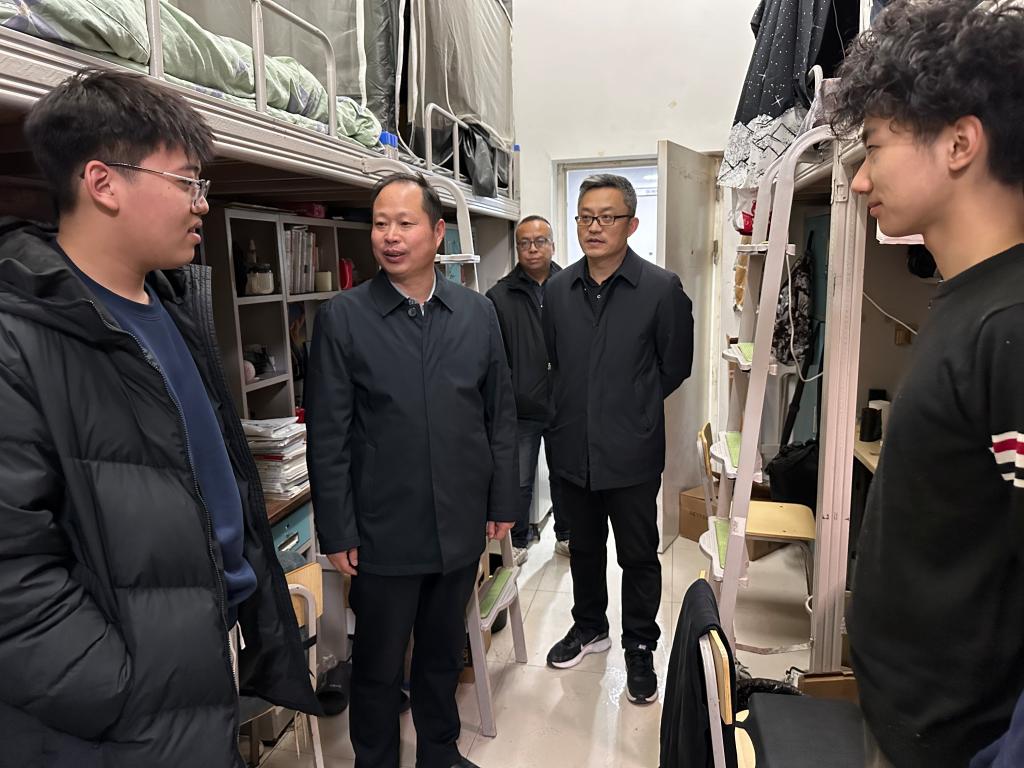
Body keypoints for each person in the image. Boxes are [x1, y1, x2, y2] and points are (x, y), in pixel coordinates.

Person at [0, 69, 318, 768]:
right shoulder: (18, 338)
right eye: (186, 182)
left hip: (202, 651)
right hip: (122, 708)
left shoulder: (170, 308)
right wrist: (124, 688)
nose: (202, 203)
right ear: (103, 182)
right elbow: (14, 579)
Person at [830, 1, 1024, 765]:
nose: (858, 180)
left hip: (955, 744)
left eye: (875, 147)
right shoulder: (970, 301)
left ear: (959, 143)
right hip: (910, 720)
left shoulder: (1010, 323)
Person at [306, 172, 518, 768]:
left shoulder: (476, 314)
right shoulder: (345, 317)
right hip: (383, 529)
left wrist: (503, 500)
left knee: (442, 654)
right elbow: (328, 434)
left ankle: (439, 752)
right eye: (380, 224)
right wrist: (338, 529)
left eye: (404, 223)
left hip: (458, 522)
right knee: (378, 662)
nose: (390, 236)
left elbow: (499, 416)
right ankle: (375, 759)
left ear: (438, 232)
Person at [542, 173, 694, 704]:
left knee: (638, 554)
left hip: (631, 450)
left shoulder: (660, 289)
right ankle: (590, 627)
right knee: (583, 548)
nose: (594, 227)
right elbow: (556, 362)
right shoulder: (557, 290)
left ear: (631, 224)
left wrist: (632, 404)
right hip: (571, 448)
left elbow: (675, 366)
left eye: (607, 217)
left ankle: (640, 645)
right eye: (585, 217)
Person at [486, 215, 568, 564]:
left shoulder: (572, 287)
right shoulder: (498, 296)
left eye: (540, 241)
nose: (532, 248)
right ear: (517, 248)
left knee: (565, 477)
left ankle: (566, 536)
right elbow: (494, 358)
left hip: (564, 404)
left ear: (553, 245)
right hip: (520, 408)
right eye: (524, 243)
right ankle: (517, 541)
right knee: (518, 480)